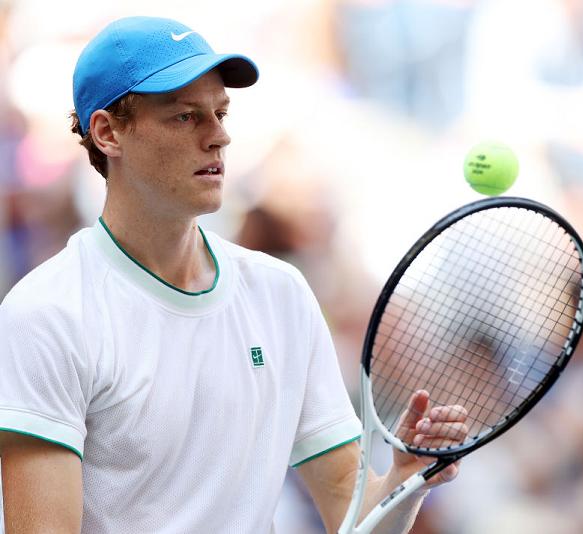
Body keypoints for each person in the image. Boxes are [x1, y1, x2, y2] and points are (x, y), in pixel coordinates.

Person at [0, 16, 465, 533]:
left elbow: (351, 517)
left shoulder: (281, 293)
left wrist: (405, 478)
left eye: (220, 113)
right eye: (185, 117)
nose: (219, 136)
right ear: (108, 133)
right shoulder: (44, 315)